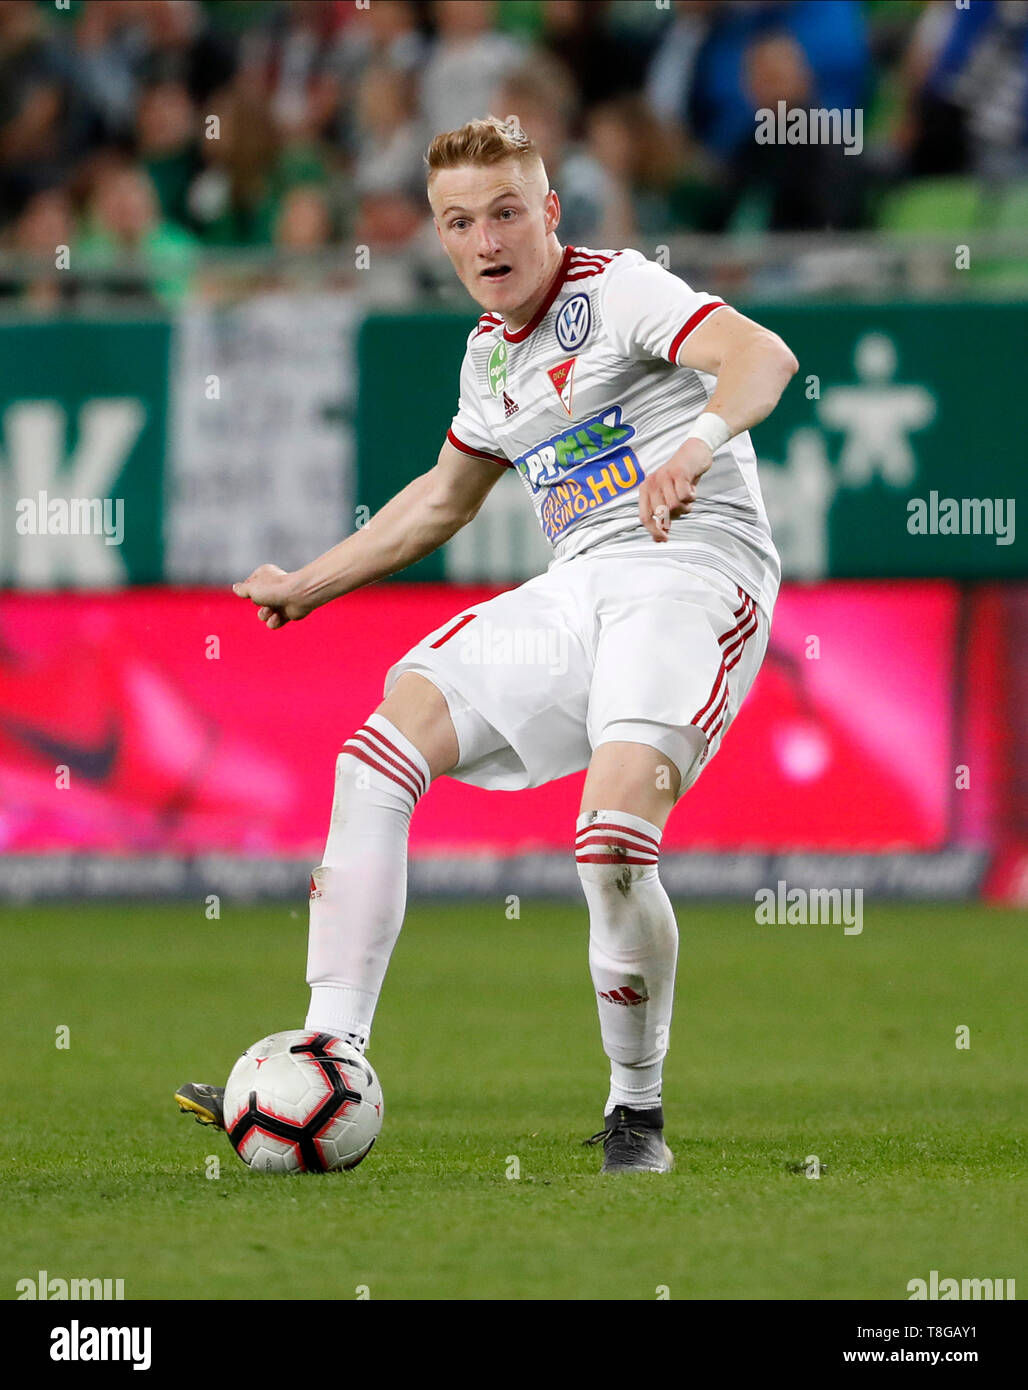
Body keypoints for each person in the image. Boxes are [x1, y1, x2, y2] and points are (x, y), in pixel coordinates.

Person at [176, 115, 797, 1173]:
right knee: (379, 747)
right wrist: (308, 584)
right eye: (459, 221)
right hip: (578, 588)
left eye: (506, 211)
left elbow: (760, 355)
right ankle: (329, 1049)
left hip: (691, 573)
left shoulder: (621, 291)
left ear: (549, 213)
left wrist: (694, 446)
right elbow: (439, 501)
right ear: (439, 235)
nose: (485, 239)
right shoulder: (487, 360)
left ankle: (634, 1114)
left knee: (608, 844)